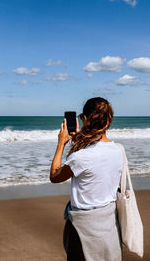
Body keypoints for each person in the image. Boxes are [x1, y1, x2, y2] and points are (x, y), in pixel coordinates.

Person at [50, 97, 123, 261]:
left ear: (85, 119)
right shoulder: (118, 150)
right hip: (109, 225)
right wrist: (79, 139)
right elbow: (95, 158)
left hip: (83, 228)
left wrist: (61, 143)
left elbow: (55, 176)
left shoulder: (81, 157)